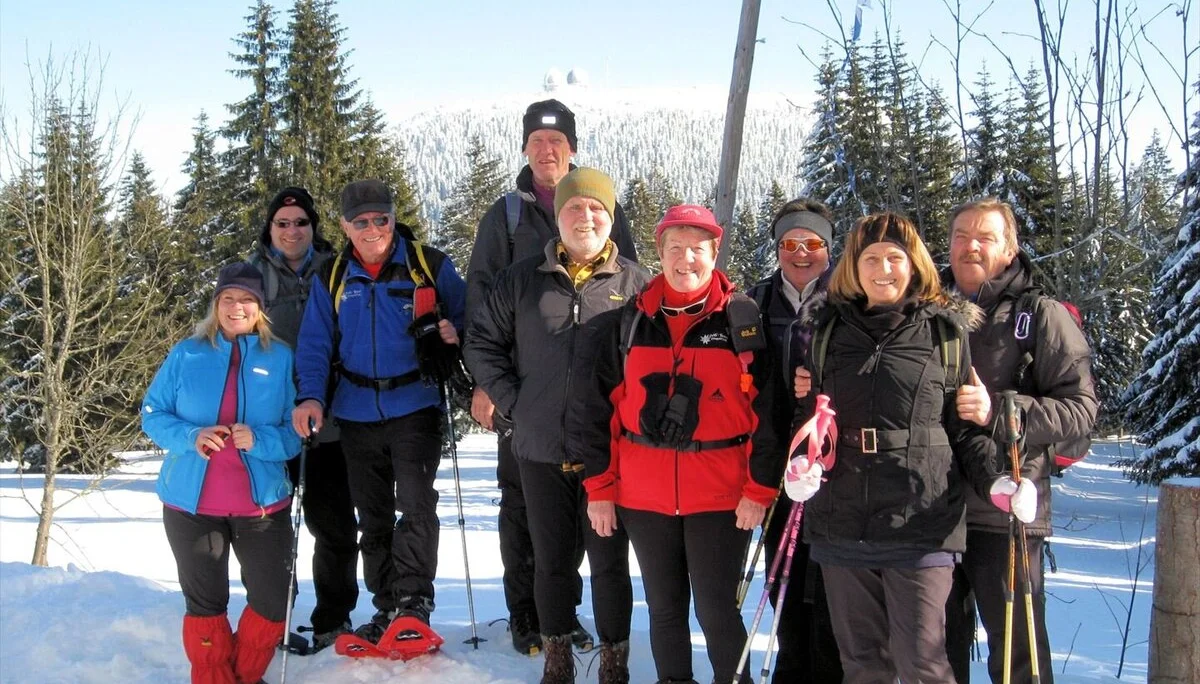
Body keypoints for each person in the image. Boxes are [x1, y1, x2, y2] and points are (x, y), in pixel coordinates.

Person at [787, 211, 1036, 684]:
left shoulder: (944, 333)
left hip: (922, 522)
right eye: (871, 258)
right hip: (843, 523)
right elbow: (813, 421)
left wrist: (998, 480)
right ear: (853, 268)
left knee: (921, 663)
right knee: (862, 666)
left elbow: (961, 430)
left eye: (894, 258)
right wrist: (803, 465)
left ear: (914, 263)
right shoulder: (827, 334)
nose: (884, 269)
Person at [570, 204, 782, 684]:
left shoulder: (740, 320)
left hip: (722, 495)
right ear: (659, 252)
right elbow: (596, 415)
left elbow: (768, 417)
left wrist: (759, 490)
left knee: (715, 612)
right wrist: (600, 489)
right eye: (675, 248)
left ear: (714, 252)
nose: (687, 259)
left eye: (698, 249)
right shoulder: (629, 323)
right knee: (665, 611)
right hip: (644, 497)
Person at [465, 98, 638, 654]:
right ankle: (528, 616)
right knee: (523, 511)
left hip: (593, 411)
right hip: (528, 401)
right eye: (537, 142)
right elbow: (481, 305)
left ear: (572, 149)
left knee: (591, 519)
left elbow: (630, 302)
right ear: (524, 149)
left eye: (557, 142)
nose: (546, 151)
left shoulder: (605, 210)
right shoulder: (507, 215)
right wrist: (496, 390)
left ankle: (564, 616)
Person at [292, 179, 467, 643]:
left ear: (393, 218)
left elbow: (471, 317)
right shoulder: (332, 276)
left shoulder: (427, 265)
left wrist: (454, 333)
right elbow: (314, 344)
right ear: (346, 226)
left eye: (381, 218)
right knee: (371, 516)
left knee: (414, 505)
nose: (373, 229)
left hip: (415, 405)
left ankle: (413, 605)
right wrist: (311, 396)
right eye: (362, 221)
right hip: (354, 411)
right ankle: (387, 605)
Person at [942, 198, 1098, 684]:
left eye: (985, 237)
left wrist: (1001, 411)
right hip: (929, 509)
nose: (971, 246)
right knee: (934, 657)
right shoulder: (927, 311)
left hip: (1005, 511)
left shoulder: (1040, 315)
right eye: (961, 235)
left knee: (1017, 660)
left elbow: (1081, 413)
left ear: (1010, 250)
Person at [142, 263, 301, 684]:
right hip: (190, 504)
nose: (236, 307)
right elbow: (152, 414)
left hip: (262, 506)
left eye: (246, 300)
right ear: (216, 305)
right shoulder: (186, 353)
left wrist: (261, 439)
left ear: (260, 308)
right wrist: (190, 435)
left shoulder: (280, 357)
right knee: (206, 604)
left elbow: (294, 435)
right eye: (228, 299)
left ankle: (245, 677)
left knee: (273, 599)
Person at [247, 186, 359, 652]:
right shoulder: (250, 277)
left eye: (301, 222)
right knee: (269, 528)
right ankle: (274, 618)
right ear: (270, 229)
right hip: (270, 426)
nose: (292, 230)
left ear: (314, 228)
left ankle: (333, 617)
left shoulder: (335, 270)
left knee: (333, 525)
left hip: (328, 422)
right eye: (283, 223)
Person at [745, 199, 843, 683]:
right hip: (776, 462)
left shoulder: (850, 299)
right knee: (782, 573)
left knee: (828, 581)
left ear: (829, 247)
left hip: (836, 466)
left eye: (812, 243)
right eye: (789, 243)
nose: (801, 253)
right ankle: (791, 665)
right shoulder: (757, 301)